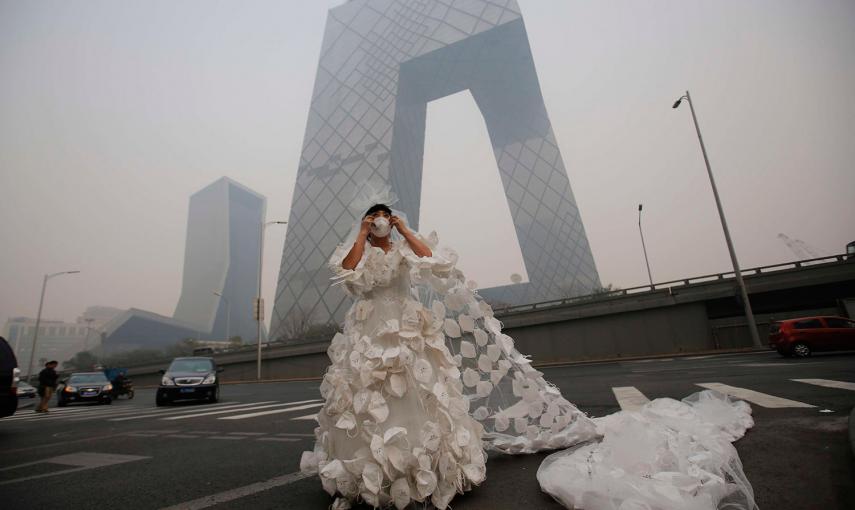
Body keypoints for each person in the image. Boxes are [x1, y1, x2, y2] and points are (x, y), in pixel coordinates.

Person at [300, 186, 756, 510]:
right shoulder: (359, 247)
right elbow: (348, 272)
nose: (380, 223)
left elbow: (428, 258)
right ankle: (370, 474)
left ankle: (425, 471)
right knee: (371, 396)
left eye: (384, 219)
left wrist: (402, 226)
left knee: (415, 395)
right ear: (366, 222)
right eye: (375, 218)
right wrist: (361, 234)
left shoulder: (400, 248)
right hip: (369, 329)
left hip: (406, 326)